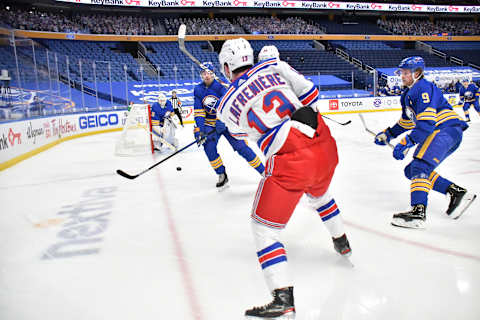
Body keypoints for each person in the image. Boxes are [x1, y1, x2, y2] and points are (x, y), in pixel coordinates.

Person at [217, 38, 351, 318]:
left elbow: (241, 135)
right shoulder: (274, 66)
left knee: (263, 228)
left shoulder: (224, 105)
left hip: (289, 158)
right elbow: (312, 95)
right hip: (323, 144)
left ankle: (282, 298)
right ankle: (342, 242)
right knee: (320, 194)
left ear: (227, 67)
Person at [374, 57, 476, 229]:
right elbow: (407, 122)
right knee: (412, 170)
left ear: (418, 73)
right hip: (447, 132)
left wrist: (407, 142)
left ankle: (418, 212)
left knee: (420, 167)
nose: (402, 76)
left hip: (443, 130)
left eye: (406, 73)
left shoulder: (422, 88)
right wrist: (388, 134)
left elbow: (427, 124)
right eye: (402, 72)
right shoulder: (408, 94)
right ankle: (455, 193)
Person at [193, 62, 265, 188]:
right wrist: (200, 130)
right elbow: (199, 112)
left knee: (242, 147)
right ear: (201, 75)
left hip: (227, 122)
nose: (206, 76)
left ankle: (263, 171)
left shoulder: (222, 87)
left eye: (209, 73)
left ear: (213, 73)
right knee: (208, 147)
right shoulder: (198, 89)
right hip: (210, 125)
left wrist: (222, 120)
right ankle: (221, 174)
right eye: (204, 73)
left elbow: (228, 106)